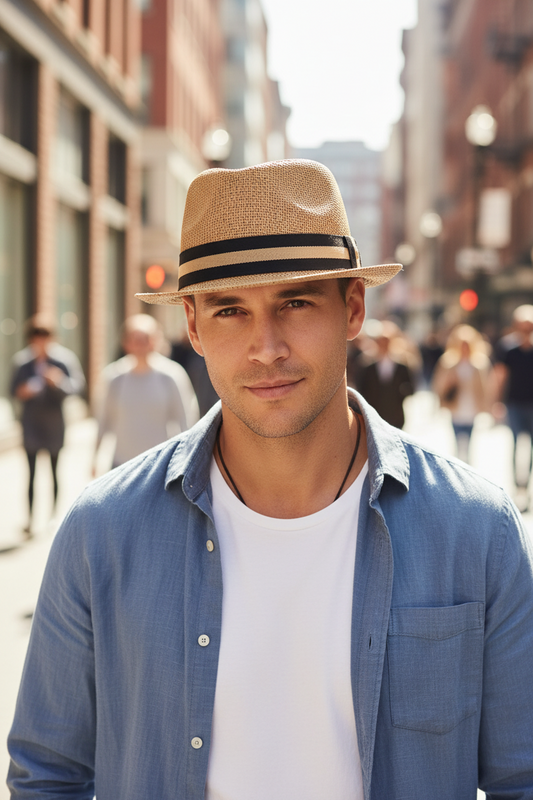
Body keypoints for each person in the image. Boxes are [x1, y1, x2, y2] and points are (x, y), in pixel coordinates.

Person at [7, 160, 533, 799]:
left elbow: (520, 777)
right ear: (194, 328)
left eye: (296, 302)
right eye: (230, 310)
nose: (267, 347)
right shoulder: (101, 532)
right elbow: (48, 774)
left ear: (353, 308)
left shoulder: (473, 528)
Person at [10, 314, 86, 534]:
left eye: (44, 336)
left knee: (54, 471)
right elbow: (12, 389)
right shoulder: (22, 362)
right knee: (30, 474)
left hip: (54, 425)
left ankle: (54, 516)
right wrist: (22, 391)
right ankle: (30, 519)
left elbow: (77, 388)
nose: (40, 342)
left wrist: (58, 382)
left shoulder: (63, 360)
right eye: (36, 337)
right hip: (31, 425)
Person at [93, 313, 199, 470]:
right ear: (126, 342)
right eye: (135, 339)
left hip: (159, 467)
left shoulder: (172, 375)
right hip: (121, 466)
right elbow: (104, 421)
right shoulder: (114, 376)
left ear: (157, 340)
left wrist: (188, 460)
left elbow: (186, 421)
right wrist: (95, 457)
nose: (140, 344)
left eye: (146, 338)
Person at [432, 324, 492, 463]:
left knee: (470, 440)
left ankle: (467, 463)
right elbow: (438, 385)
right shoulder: (448, 362)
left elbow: (485, 387)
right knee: (457, 438)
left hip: (472, 406)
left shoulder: (479, 363)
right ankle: (458, 462)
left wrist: (487, 407)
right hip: (456, 407)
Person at [493, 304, 533, 509]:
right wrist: (497, 402)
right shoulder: (507, 348)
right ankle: (519, 488)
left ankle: (527, 485)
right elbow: (500, 376)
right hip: (515, 404)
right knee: (516, 445)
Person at [356, 319, 415, 428]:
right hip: (375, 414)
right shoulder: (367, 366)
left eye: (386, 341)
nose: (384, 345)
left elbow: (410, 386)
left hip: (395, 414)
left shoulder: (401, 365)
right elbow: (362, 387)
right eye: (381, 341)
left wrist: (400, 393)